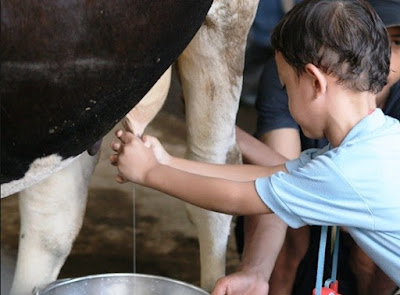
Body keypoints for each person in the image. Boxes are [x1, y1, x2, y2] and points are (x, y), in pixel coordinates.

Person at [110, 1, 400, 294]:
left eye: (286, 86)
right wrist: (166, 162)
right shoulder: (375, 142)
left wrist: (149, 173)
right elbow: (267, 175)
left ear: (315, 81)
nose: (285, 96)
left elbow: (238, 197)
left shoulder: (346, 171)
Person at [235, 0, 400, 293]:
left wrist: (232, 137)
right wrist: (255, 271)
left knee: (366, 255)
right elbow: (280, 180)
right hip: (310, 213)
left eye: (398, 42)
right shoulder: (292, 67)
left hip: (366, 237)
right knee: (291, 233)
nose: (387, 58)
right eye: (382, 39)